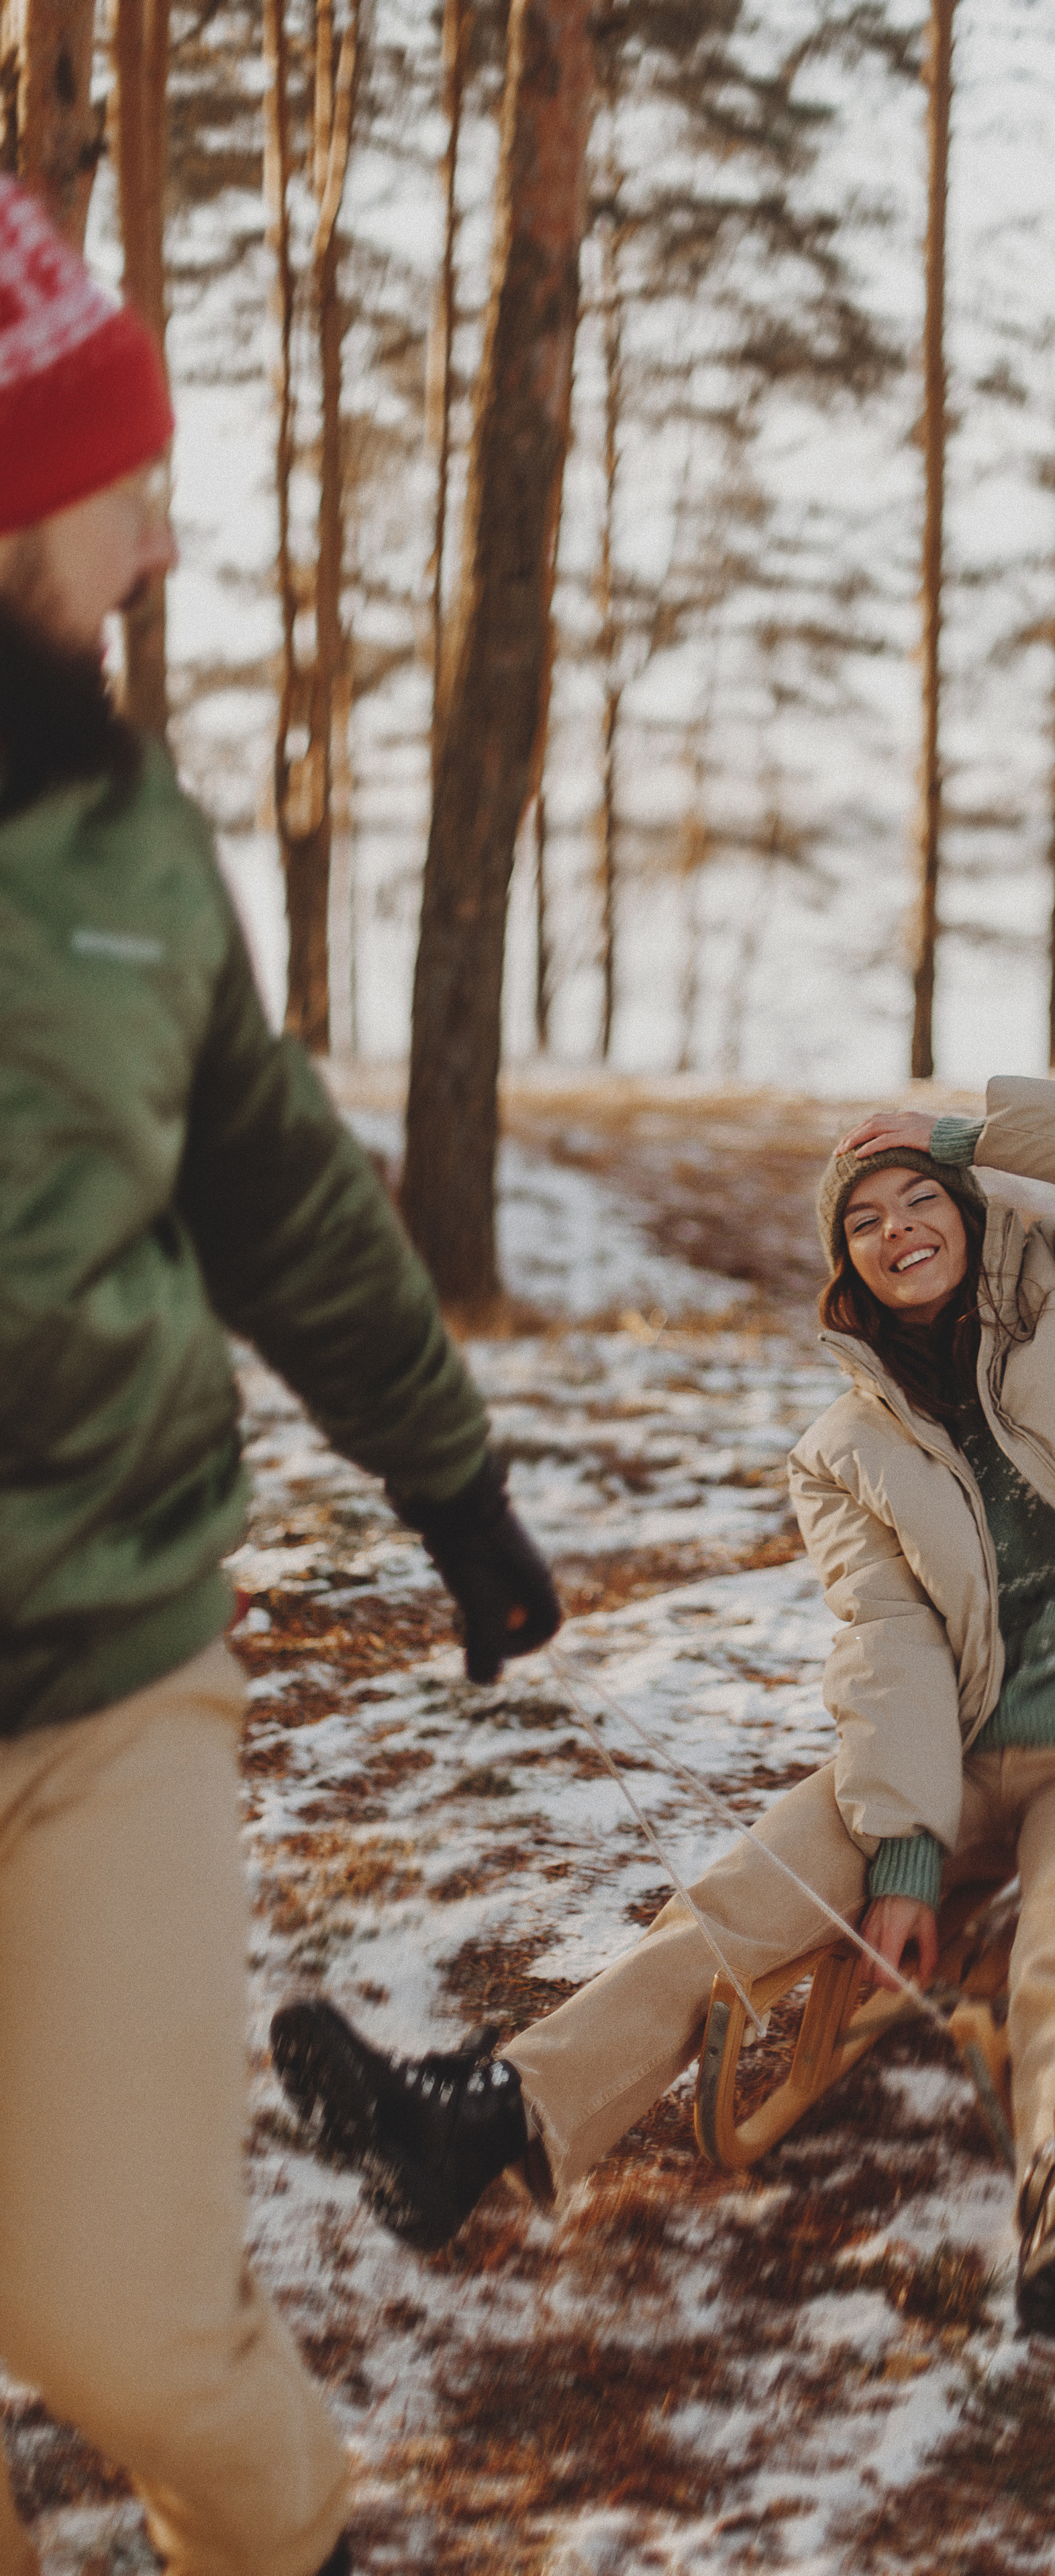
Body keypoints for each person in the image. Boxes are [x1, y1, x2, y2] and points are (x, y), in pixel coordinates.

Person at [0, 176, 560, 2576]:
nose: (162, 524)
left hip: (104, 1679)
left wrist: (455, 1485)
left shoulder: (132, 841)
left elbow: (281, 1196)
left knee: (117, 2315)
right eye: (121, 468)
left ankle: (309, 2543)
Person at [273, 1076, 1055, 2338]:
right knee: (742, 1900)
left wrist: (947, 1131)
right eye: (865, 1219)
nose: (898, 1227)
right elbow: (892, 1650)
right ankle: (477, 2124)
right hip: (953, 1754)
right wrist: (906, 1847)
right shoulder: (846, 1451)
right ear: (843, 1267)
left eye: (921, 1200)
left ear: (965, 1204)